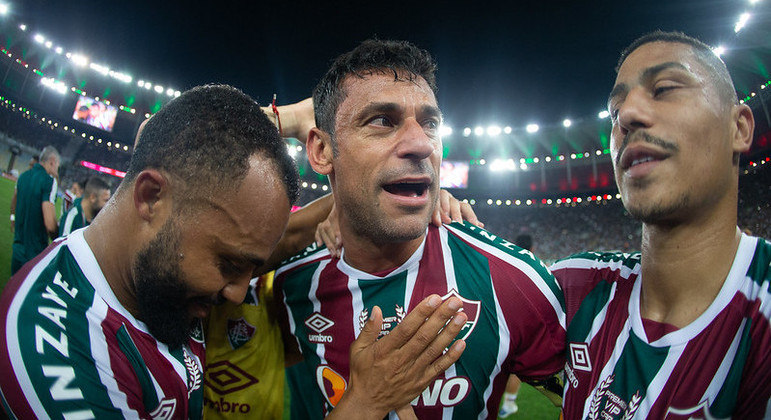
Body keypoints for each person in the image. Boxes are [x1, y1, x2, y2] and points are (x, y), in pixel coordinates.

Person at [0, 84, 466, 419]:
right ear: (149, 198)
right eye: (229, 264)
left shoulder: (162, 276)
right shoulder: (60, 355)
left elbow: (166, 135)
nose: (240, 292)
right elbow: (155, 131)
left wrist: (414, 198)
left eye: (250, 267)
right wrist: (364, 406)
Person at [275, 39, 565, 419]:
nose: (420, 144)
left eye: (430, 124)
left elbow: (587, 398)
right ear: (322, 152)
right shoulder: (289, 285)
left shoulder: (515, 280)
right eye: (382, 120)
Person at [551, 31, 770, 419]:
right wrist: (442, 218)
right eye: (615, 112)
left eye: (665, 88)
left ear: (739, 128)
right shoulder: (573, 289)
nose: (628, 117)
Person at [10, 145, 59, 274]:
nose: (57, 169)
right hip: (35, 252)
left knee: (13, 290)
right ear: (52, 161)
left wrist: (12, 218)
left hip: (18, 250)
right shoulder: (49, 181)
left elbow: (14, 199)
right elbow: (50, 225)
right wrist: (58, 239)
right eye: (57, 165)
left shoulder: (23, 176)